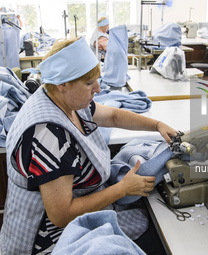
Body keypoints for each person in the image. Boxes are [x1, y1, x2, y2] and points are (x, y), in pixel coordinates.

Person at [0, 36, 177, 255]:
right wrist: (122, 189)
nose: (98, 89)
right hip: (49, 239)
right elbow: (61, 215)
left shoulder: (67, 101)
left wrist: (157, 125)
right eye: (88, 83)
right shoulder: (48, 136)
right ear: (63, 83)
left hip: (73, 215)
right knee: (158, 240)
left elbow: (112, 116)